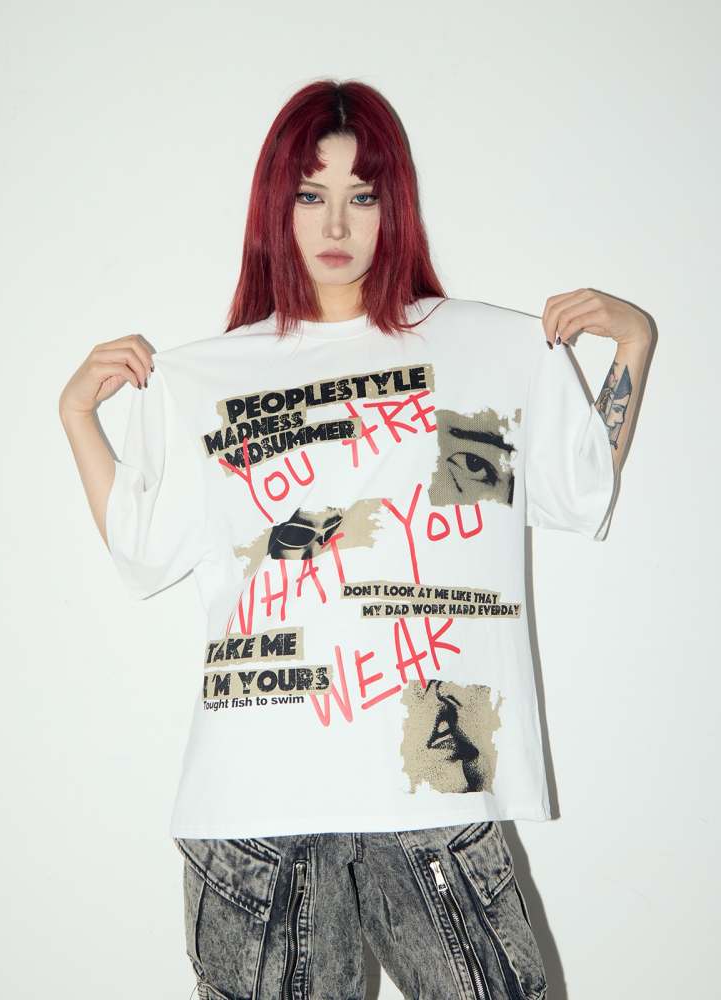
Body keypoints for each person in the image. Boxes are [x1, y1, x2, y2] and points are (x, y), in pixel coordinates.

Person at [59, 79, 652, 1000]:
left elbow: (583, 495)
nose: (336, 223)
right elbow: (142, 552)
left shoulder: (479, 350)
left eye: (362, 195)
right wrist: (76, 415)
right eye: (311, 193)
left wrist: (634, 345)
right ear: (276, 206)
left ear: (394, 205)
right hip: (255, 801)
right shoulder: (209, 379)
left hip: (432, 780)